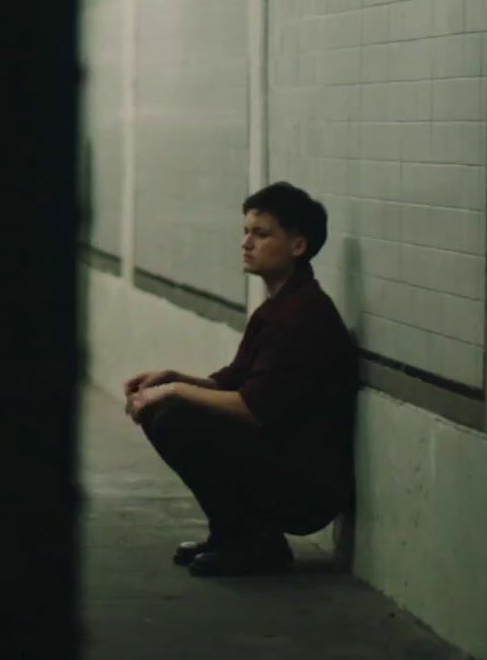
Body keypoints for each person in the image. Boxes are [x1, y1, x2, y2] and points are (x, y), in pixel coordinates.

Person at [124, 182, 357, 576]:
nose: (246, 243)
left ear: (297, 246)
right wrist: (171, 378)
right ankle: (232, 535)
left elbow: (252, 408)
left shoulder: (301, 316)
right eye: (246, 232)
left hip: (306, 489)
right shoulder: (281, 305)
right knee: (165, 409)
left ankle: (256, 542)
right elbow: (235, 380)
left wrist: (174, 391)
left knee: (175, 415)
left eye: (261, 234)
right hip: (278, 460)